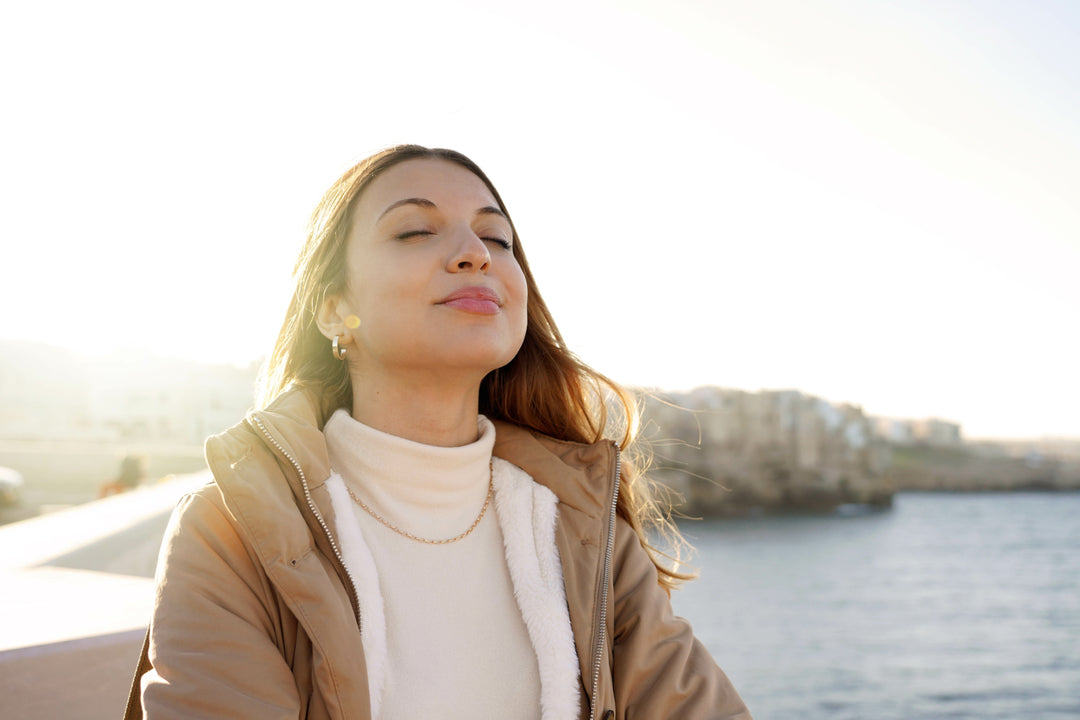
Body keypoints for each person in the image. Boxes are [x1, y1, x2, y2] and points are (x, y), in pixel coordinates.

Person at [124, 145, 752, 719]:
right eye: (415, 230)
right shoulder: (232, 532)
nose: (475, 253)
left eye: (497, 238)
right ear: (335, 307)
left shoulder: (586, 531)